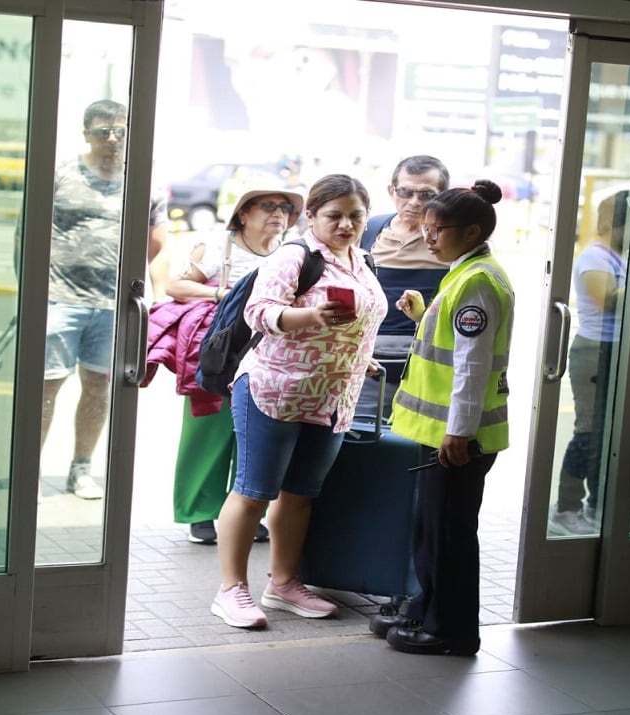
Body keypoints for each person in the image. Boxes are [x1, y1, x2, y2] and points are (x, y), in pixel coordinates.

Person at [210, 174, 386, 629]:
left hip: (331, 395)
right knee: (252, 491)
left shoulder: (361, 260)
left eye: (355, 216)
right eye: (334, 215)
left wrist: (358, 356)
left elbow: (359, 321)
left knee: (300, 494)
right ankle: (231, 590)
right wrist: (311, 315)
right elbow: (260, 311)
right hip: (275, 389)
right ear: (311, 216)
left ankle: (283, 584)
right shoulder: (295, 256)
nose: (346, 224)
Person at [373, 180, 515, 657]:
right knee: (431, 527)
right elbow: (453, 346)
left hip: (455, 439)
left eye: (438, 230)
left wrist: (459, 431)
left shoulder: (477, 281)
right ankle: (427, 605)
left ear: (472, 231)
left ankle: (450, 629)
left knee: (449, 533)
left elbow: (472, 365)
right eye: (426, 228)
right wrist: (421, 317)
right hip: (440, 433)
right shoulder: (464, 272)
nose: (428, 237)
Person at [39, 99, 168, 500]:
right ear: (86, 135)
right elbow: (26, 236)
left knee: (98, 388)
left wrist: (160, 299)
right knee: (45, 388)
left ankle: (81, 469)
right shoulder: (59, 173)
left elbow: (158, 247)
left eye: (120, 131)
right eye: (102, 132)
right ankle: (29, 470)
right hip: (59, 299)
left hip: (113, 305)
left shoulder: (145, 182)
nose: (112, 139)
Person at [164, 187, 304, 544]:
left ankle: (241, 512)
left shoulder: (288, 253)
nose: (278, 213)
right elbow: (174, 285)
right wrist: (219, 294)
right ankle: (199, 513)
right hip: (220, 352)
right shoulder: (218, 247)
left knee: (251, 434)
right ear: (243, 213)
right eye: (268, 206)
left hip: (266, 356)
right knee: (207, 432)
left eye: (285, 208)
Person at [549, 189, 630, 535]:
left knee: (607, 433)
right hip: (595, 351)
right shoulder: (596, 258)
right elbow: (608, 301)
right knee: (588, 431)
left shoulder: (620, 256)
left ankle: (596, 502)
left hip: (614, 350)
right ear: (614, 224)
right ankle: (567, 507)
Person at [357, 155, 452, 416]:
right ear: (391, 191)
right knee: (364, 437)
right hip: (368, 359)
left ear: (443, 196)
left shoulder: (451, 241)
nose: (414, 202)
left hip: (428, 358)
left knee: (417, 445)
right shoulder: (369, 230)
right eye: (405, 192)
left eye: (425, 194)